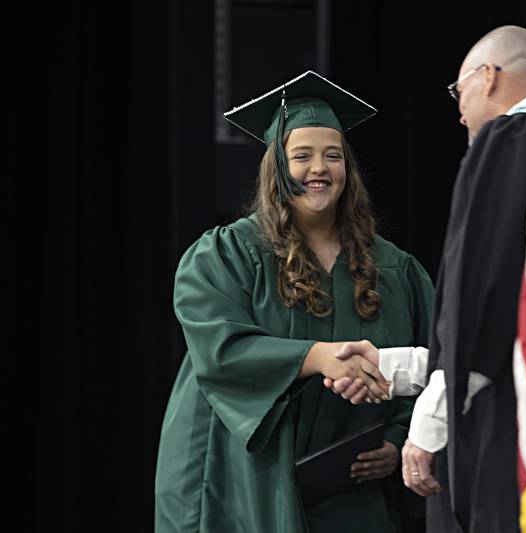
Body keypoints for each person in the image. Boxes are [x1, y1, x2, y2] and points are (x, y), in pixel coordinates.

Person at [154, 71, 434, 533]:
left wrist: (396, 440)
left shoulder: (394, 269)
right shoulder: (228, 254)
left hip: (347, 486)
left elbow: (433, 362)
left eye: (333, 156)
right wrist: (316, 357)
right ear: (277, 168)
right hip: (242, 477)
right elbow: (220, 350)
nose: (319, 169)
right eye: (301, 156)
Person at [324, 25, 526, 532]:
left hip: (505, 436)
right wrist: (392, 366)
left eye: (459, 90)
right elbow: (522, 320)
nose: (458, 108)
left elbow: (485, 304)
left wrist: (428, 426)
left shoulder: (510, 140)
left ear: (489, 77)